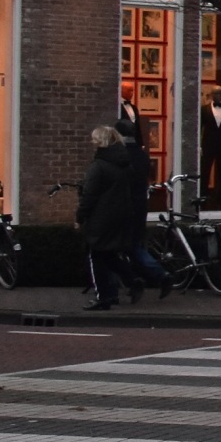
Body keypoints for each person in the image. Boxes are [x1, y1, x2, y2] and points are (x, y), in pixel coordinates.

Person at [76, 126, 138, 311]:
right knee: (108, 254)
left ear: (100, 141)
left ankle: (104, 297)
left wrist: (80, 216)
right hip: (121, 214)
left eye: (94, 139)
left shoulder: (99, 165)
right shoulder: (125, 162)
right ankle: (132, 280)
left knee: (96, 255)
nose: (92, 142)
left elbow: (89, 195)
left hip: (100, 217)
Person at [114, 101, 169, 300]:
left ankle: (151, 277)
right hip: (141, 205)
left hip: (124, 207)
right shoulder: (142, 156)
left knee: (121, 247)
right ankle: (140, 280)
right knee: (135, 244)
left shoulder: (121, 156)